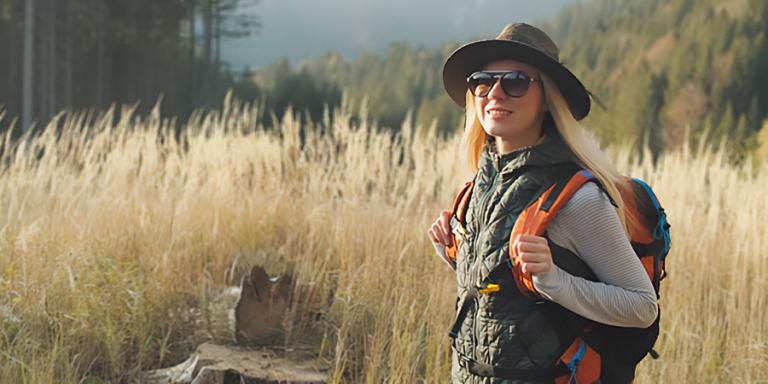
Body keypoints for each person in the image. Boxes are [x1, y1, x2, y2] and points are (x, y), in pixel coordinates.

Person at [427, 23, 658, 383]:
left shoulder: (578, 200)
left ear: (548, 100)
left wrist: (553, 280)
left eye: (516, 81)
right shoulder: (479, 186)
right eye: (483, 81)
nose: (495, 93)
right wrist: (454, 253)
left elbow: (642, 307)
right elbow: (500, 302)